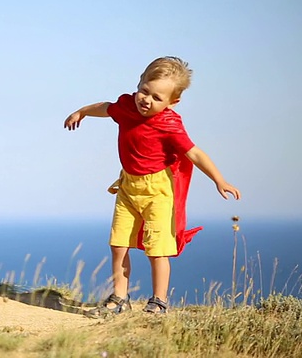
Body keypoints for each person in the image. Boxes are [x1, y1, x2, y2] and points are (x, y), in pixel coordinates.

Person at [63, 56, 241, 316]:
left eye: (157, 98)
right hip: (128, 186)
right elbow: (106, 107)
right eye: (144, 91)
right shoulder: (126, 106)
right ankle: (119, 299)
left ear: (172, 102)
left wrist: (219, 179)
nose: (146, 99)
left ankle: (158, 302)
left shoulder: (170, 124)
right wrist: (82, 111)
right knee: (118, 244)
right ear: (139, 84)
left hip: (158, 191)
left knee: (157, 249)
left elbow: (194, 153)